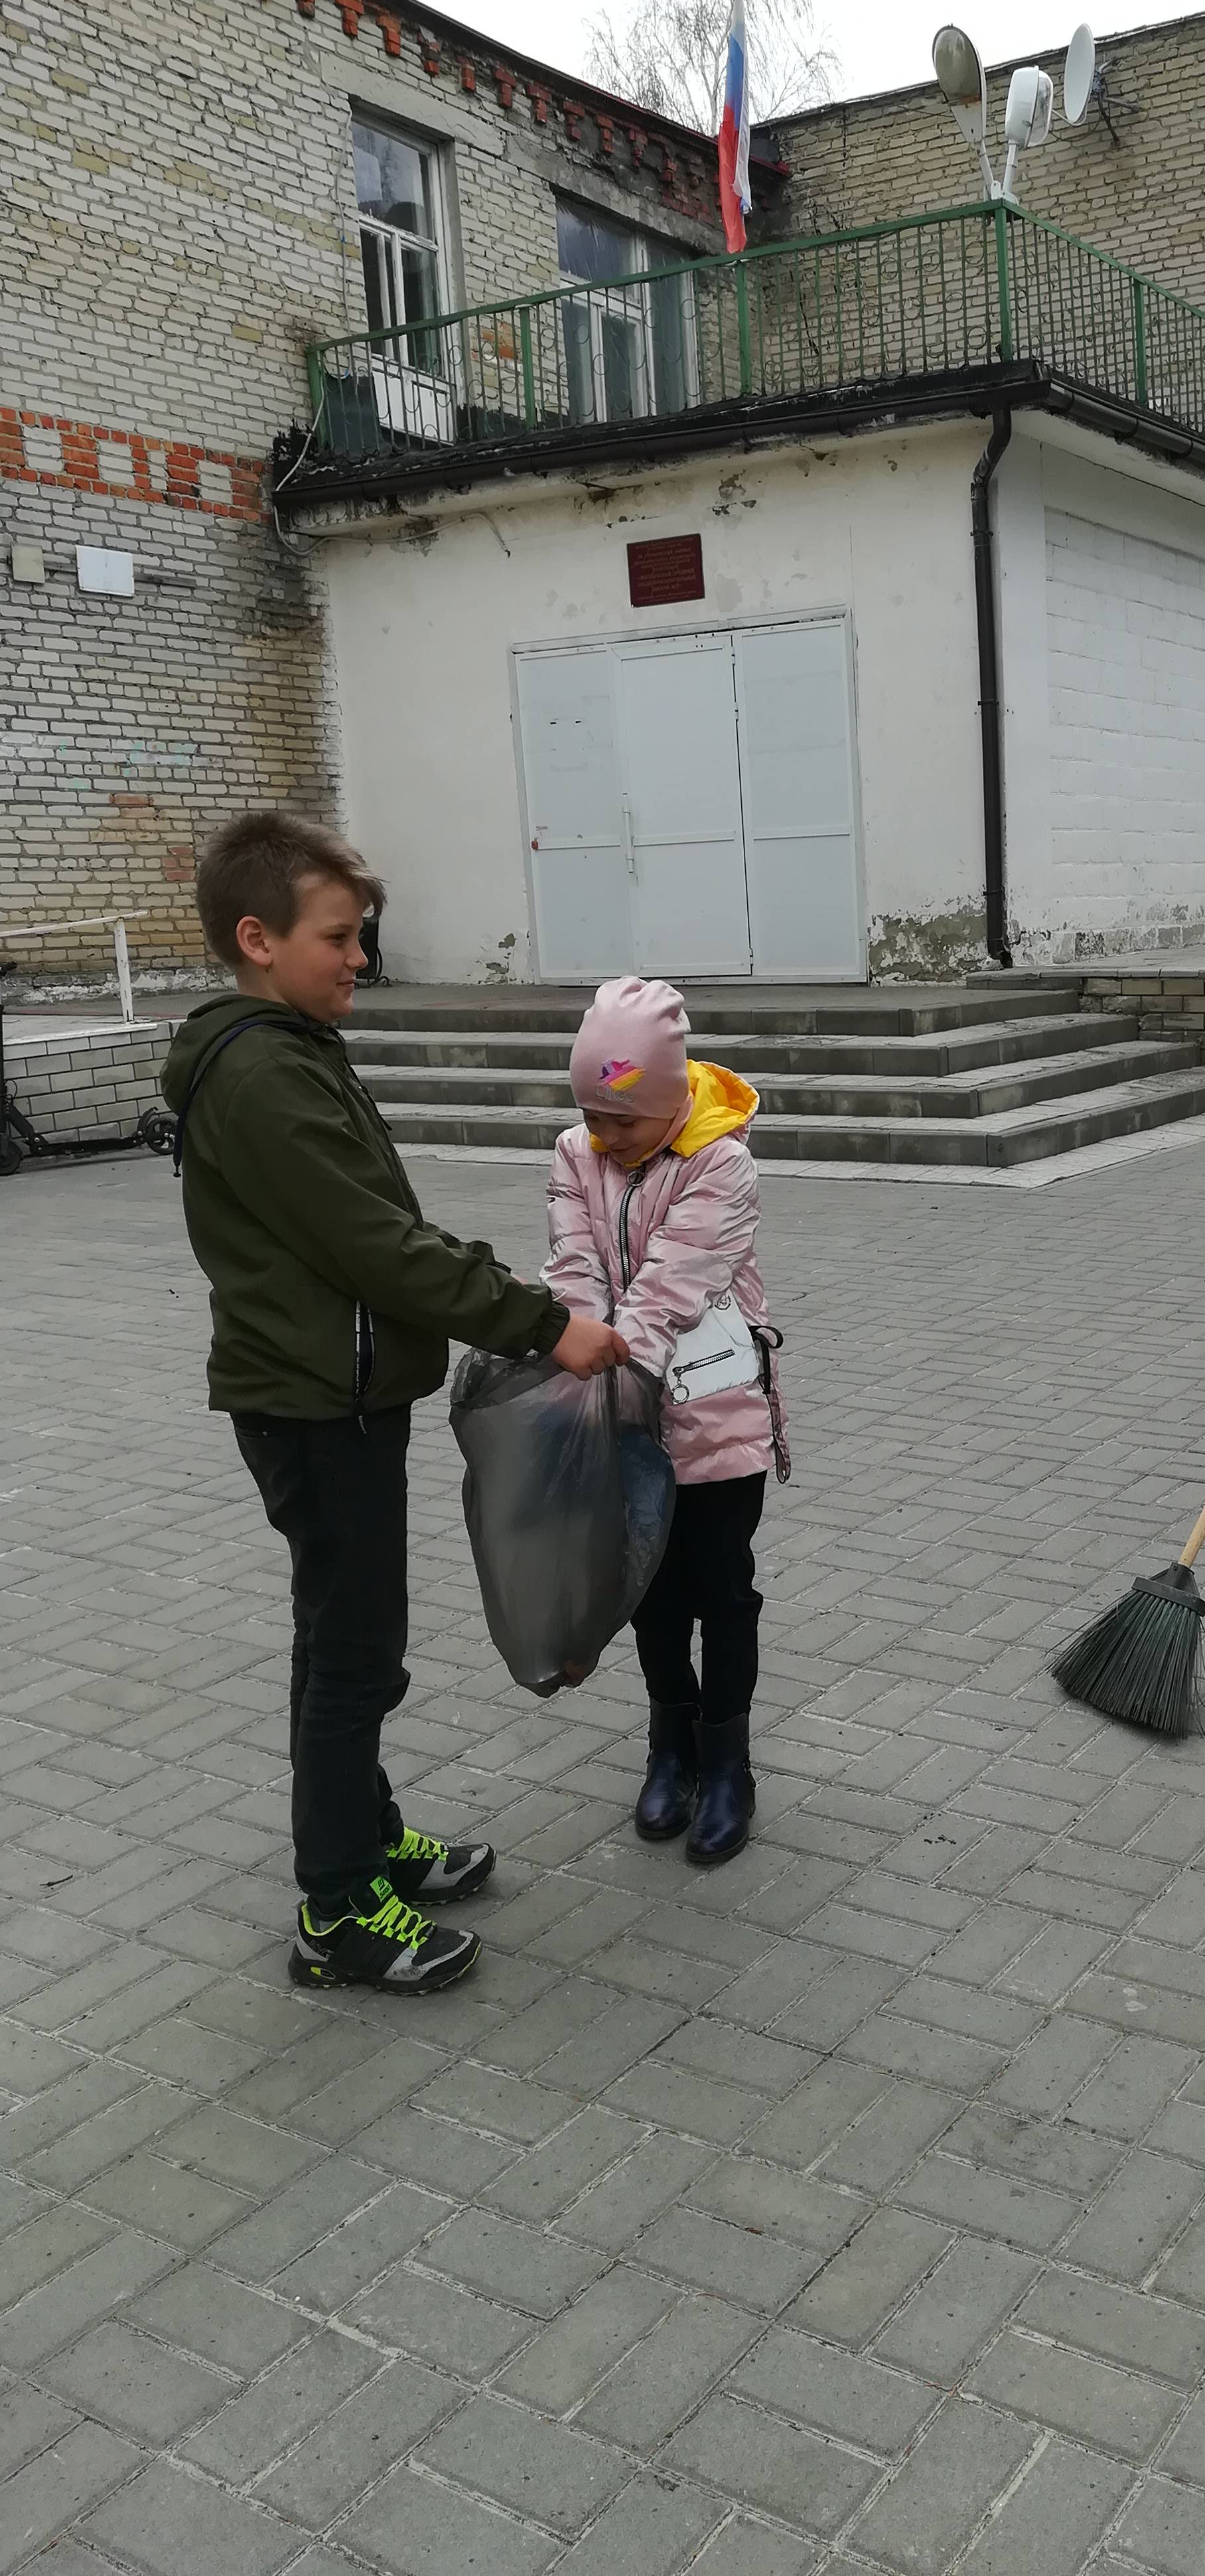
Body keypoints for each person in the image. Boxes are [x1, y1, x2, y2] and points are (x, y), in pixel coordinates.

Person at [163, 814, 626, 1995]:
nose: (360, 956)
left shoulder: (289, 1044)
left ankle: (366, 1842)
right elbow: (375, 1245)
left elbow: (376, 1227)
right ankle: (336, 1912)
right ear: (257, 937)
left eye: (361, 935)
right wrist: (539, 1323)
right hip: (317, 1405)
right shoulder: (264, 1070)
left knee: (344, 1638)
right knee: (356, 1652)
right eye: (339, 937)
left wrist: (496, 1285)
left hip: (332, 1388)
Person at [544, 977, 786, 1866]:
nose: (607, 1139)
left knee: (721, 1593)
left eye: (626, 1123)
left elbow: (675, 1283)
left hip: (713, 1417)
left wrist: (608, 1363)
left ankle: (728, 1766)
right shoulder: (578, 1151)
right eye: (593, 1118)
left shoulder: (721, 1161)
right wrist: (576, 1340)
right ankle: (669, 1749)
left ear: (671, 1097)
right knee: (648, 1593)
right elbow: (573, 1261)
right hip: (623, 1414)